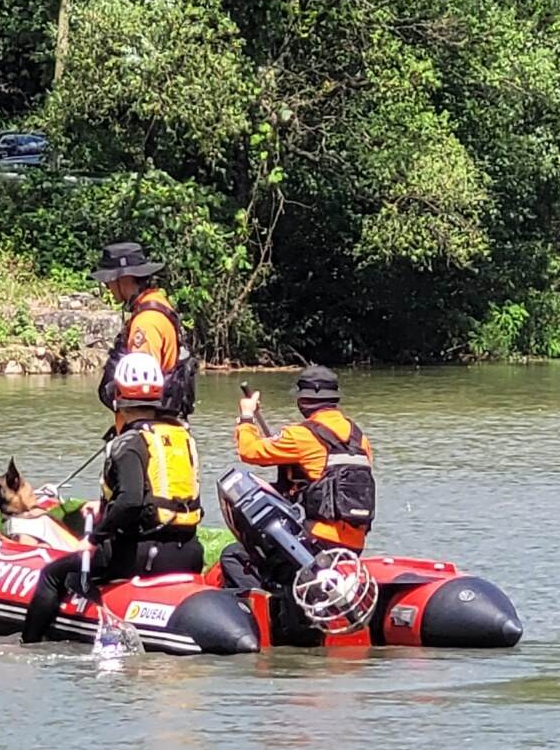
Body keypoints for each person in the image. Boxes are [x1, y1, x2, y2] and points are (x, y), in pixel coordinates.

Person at [22, 352, 205, 643]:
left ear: (118, 397)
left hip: (141, 554)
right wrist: (106, 505)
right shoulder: (180, 435)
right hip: (189, 553)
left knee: (53, 575)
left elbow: (132, 501)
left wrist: (93, 539)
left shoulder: (129, 442)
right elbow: (161, 490)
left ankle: (27, 646)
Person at [220, 365, 376, 591]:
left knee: (234, 556)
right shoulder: (360, 439)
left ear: (302, 401)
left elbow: (249, 451)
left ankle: (267, 611)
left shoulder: (301, 435)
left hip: (316, 544)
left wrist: (246, 416)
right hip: (353, 547)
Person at [93, 241, 197, 425]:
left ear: (124, 279)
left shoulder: (146, 322)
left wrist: (135, 434)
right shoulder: (156, 305)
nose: (107, 286)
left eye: (109, 280)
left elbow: (141, 390)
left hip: (147, 429)